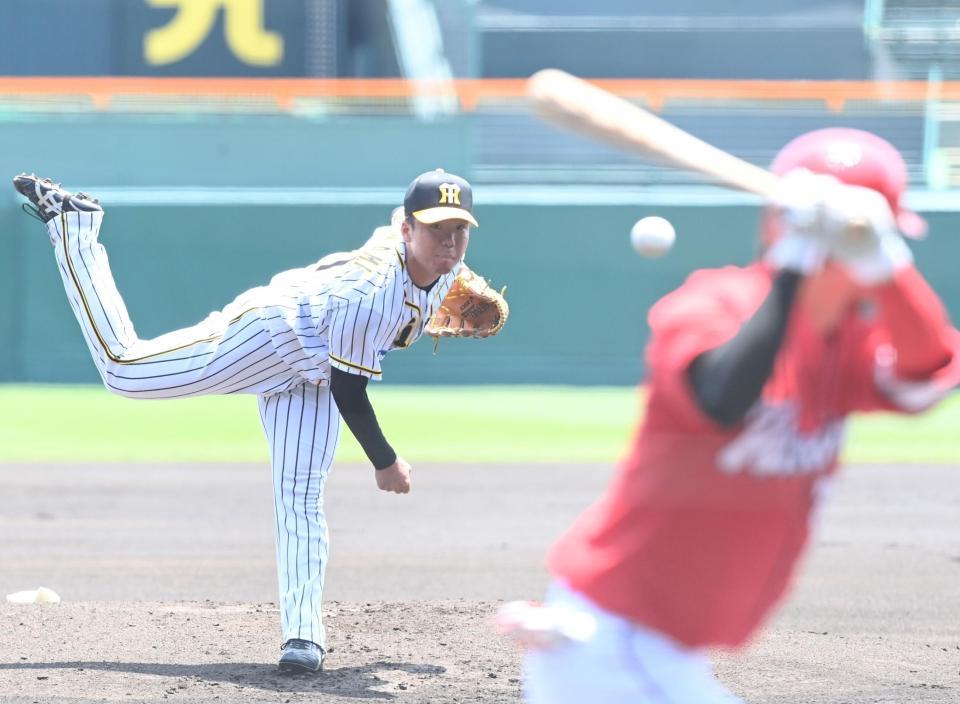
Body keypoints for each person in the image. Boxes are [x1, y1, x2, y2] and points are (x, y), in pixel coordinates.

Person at [497, 128, 960, 703]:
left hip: (658, 648)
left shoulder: (846, 344)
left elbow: (927, 377)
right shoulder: (714, 304)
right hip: (614, 638)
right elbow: (721, 398)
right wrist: (795, 264)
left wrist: (889, 268)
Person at [12, 167, 489, 674]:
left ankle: (303, 637)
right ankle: (75, 228)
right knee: (123, 370)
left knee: (300, 496)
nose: (450, 240)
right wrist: (385, 461)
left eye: (459, 229)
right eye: (437, 229)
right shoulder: (371, 296)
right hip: (269, 335)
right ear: (408, 231)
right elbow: (351, 390)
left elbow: (391, 256)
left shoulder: (443, 268)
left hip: (314, 372)